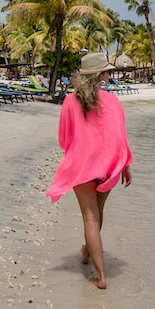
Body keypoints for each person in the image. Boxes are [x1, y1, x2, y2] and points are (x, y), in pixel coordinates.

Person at [48, 52, 133, 290]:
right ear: (100, 75)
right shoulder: (113, 101)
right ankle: (88, 253)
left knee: (89, 217)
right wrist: (125, 165)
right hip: (109, 166)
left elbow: (64, 139)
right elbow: (120, 137)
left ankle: (101, 275)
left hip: (83, 165)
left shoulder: (69, 101)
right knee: (98, 213)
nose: (109, 74)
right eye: (107, 71)